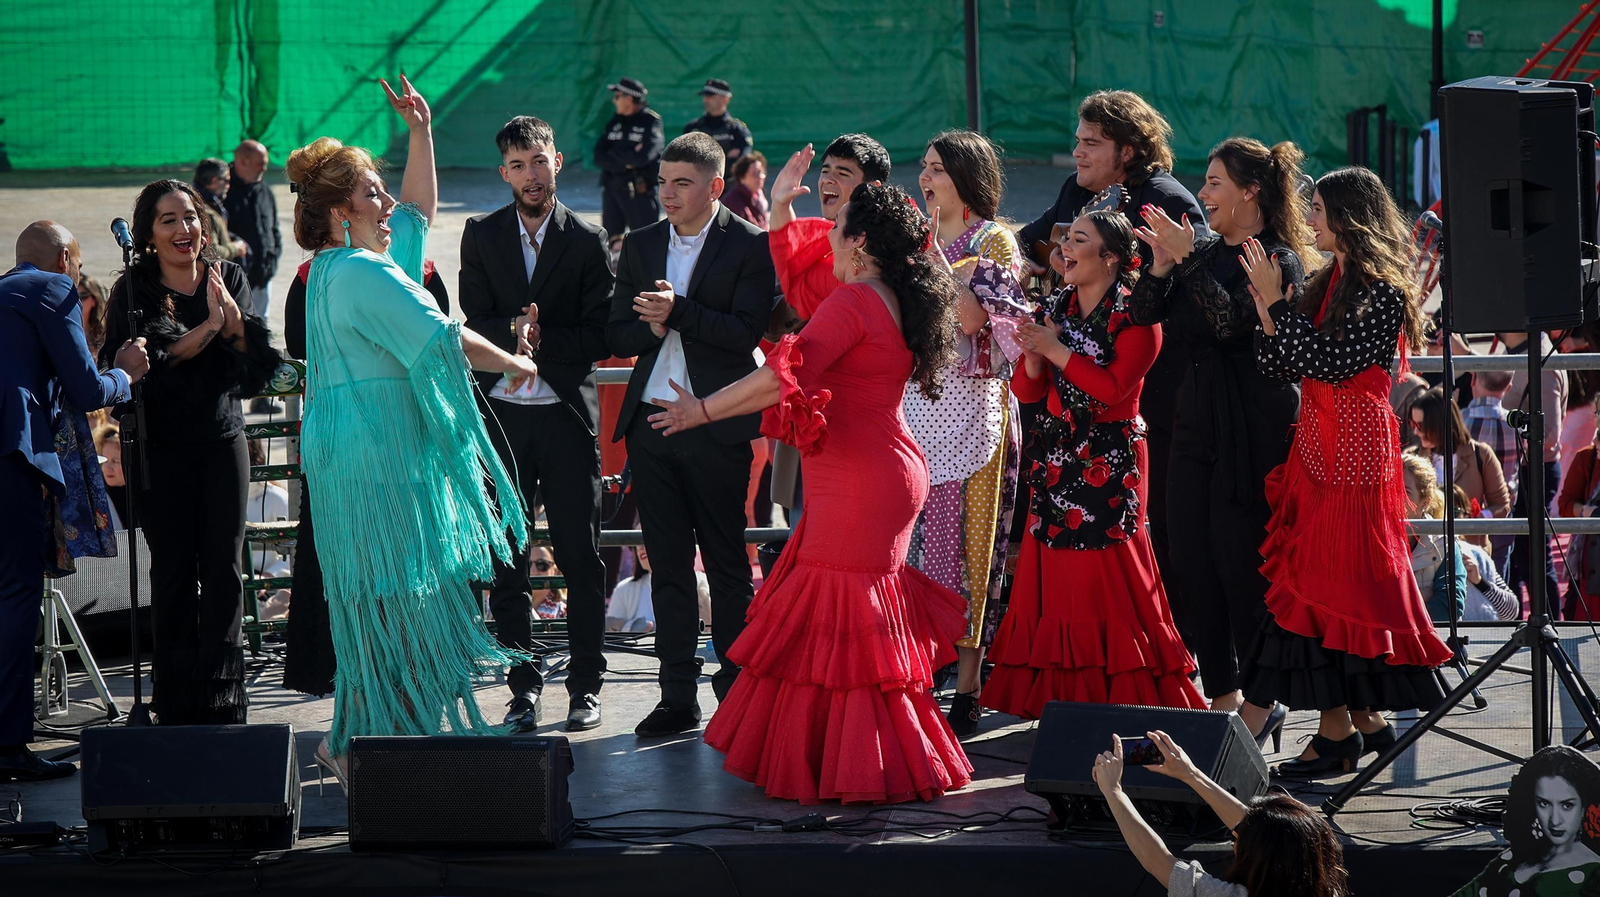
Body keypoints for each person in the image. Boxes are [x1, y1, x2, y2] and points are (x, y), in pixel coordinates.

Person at [651, 182, 972, 803]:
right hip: (881, 471)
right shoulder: (888, 297)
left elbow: (781, 377)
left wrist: (701, 411)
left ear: (861, 244)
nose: (826, 234)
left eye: (837, 225)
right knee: (858, 623)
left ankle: (854, 767)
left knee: (844, 617)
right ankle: (851, 759)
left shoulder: (856, 301)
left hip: (860, 480)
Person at [288, 75, 539, 785]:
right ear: (341, 210)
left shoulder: (337, 268)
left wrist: (420, 130)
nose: (388, 199)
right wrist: (516, 360)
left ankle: (376, 738)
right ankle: (380, 744)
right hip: (380, 459)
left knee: (386, 602)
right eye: (373, 190)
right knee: (400, 600)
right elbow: (443, 338)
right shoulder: (364, 274)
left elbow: (420, 213)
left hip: (363, 455)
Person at [1237, 166, 1453, 777]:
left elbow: (1330, 361)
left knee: (1325, 580)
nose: (1309, 219)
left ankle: (1337, 732)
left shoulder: (1381, 290)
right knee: (1324, 581)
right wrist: (1268, 310)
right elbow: (1282, 362)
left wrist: (1279, 307)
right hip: (1317, 445)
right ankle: (1360, 724)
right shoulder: (1327, 279)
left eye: (1319, 209)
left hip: (1354, 453)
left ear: (1348, 216)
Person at [982, 209, 1204, 719]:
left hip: (1110, 458)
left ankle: (1121, 698)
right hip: (1058, 455)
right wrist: (1034, 358)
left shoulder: (1136, 317)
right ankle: (1063, 703)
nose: (1063, 248)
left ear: (1110, 258)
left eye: (1078, 240)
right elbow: (1027, 390)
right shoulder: (1057, 303)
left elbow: (1111, 390)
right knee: (1056, 576)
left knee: (1106, 573)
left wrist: (1054, 349)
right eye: (1065, 239)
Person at [1016, 90, 1209, 661]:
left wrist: (1109, 311)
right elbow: (1037, 238)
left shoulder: (1166, 200)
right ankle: (1082, 662)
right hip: (1066, 423)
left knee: (1158, 536)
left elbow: (1191, 290)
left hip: (1154, 399)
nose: (1076, 150)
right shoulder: (1078, 192)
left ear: (1127, 150)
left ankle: (1170, 653)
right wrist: (1047, 257)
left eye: (1090, 142)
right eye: (1078, 139)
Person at [1127, 137, 1314, 722]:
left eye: (1213, 184)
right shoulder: (1200, 248)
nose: (1202, 194)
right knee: (1187, 557)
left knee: (1240, 561)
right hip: (1194, 417)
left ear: (1249, 192)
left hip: (1255, 420)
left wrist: (1186, 259)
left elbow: (1233, 322)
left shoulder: (1278, 259)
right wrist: (1162, 266)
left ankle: (1262, 698)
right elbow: (1142, 313)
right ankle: (1223, 693)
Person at [606, 131, 773, 737]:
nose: (667, 193)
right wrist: (647, 331)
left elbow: (747, 331)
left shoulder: (752, 245)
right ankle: (676, 695)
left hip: (717, 423)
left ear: (715, 187)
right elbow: (616, 331)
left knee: (728, 566)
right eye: (662, 181)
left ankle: (735, 690)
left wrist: (677, 313)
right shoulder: (644, 242)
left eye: (682, 182)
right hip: (652, 425)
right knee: (668, 567)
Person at [101, 180, 281, 727]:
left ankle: (224, 695)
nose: (184, 229)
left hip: (223, 442)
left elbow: (251, 361)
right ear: (149, 235)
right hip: (161, 448)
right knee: (174, 569)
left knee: (225, 566)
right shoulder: (133, 289)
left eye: (190, 218)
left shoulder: (231, 277)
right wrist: (212, 326)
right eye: (168, 221)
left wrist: (234, 325)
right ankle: (177, 697)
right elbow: (153, 360)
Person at [460, 115, 614, 734]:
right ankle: (522, 686)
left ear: (556, 161)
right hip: (502, 418)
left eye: (540, 161)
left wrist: (542, 341)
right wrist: (511, 336)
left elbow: (601, 334)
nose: (532, 174)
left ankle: (586, 686)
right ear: (504, 172)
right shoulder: (480, 233)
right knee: (508, 562)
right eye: (519, 165)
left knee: (580, 555)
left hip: (567, 417)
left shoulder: (586, 239)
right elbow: (473, 312)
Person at [1, 221, 149, 782]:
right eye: (78, 263)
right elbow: (89, 390)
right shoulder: (54, 288)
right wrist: (125, 373)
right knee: (15, 598)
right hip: (11, 460)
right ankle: (9, 744)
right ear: (65, 258)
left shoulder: (5, 292)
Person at [905, 129, 1030, 735]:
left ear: (965, 176)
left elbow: (976, 317)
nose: (926, 178)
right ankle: (923, 667)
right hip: (918, 402)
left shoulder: (995, 241)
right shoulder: (920, 241)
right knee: (923, 544)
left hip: (975, 401)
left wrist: (939, 270)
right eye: (924, 167)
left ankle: (971, 678)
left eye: (937, 168)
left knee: (975, 542)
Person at [1091, 731, 1350, 897]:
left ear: (1261, 859)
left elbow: (1156, 860)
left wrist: (1114, 792)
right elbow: (1258, 828)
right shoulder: (1328, 888)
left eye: (1237, 839)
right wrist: (1189, 774)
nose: (1234, 838)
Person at [767, 134, 893, 319]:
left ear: (872, 188)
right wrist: (780, 204)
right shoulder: (839, 241)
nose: (828, 179)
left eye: (843, 173)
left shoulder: (883, 250)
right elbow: (794, 270)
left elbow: (795, 279)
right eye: (825, 171)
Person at [1451, 746, 1600, 896]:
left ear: (1584, 808)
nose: (1555, 820)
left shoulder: (1593, 876)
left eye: (1567, 805)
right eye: (1544, 803)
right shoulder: (1510, 860)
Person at [1501, 329, 1568, 618]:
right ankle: (1519, 627)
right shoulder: (1530, 352)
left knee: (1535, 560)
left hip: (1534, 470)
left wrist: (1511, 439)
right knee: (1519, 558)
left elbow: (1550, 434)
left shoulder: (1540, 360)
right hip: (1527, 468)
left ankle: (1550, 625)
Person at [1409, 386, 1511, 549]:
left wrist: (1475, 519)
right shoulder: (1412, 459)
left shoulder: (1481, 454)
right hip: (1427, 553)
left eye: (1420, 425)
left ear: (1439, 423)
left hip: (1471, 550)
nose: (1415, 431)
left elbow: (1502, 505)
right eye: (1412, 423)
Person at [226, 140, 283, 416]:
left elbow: (273, 228)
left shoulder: (263, 190)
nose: (265, 167)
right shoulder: (223, 190)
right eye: (260, 162)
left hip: (262, 280)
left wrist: (272, 258)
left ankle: (261, 394)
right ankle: (231, 395)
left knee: (261, 335)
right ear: (243, 161)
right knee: (234, 339)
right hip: (234, 286)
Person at [1402, 451, 1469, 623]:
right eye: (1390, 489)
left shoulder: (1443, 543)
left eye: (1405, 492)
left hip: (1436, 644)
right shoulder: (1371, 539)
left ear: (1424, 502)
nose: (1395, 497)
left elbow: (1449, 608)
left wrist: (1397, 607)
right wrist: (1421, 596)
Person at [594, 77, 664, 241]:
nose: (614, 100)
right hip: (612, 187)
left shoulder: (651, 122)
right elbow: (598, 156)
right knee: (611, 241)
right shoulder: (614, 122)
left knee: (645, 241)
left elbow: (643, 157)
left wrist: (614, 155)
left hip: (638, 190)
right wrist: (626, 160)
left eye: (617, 96)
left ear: (629, 99)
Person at [1465, 369, 1519, 572]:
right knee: (1497, 579)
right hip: (1502, 513)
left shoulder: (1459, 422)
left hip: (1467, 515)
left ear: (1473, 380)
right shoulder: (1517, 426)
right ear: (1509, 387)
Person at [604, 544, 712, 633]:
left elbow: (705, 631)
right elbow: (609, 635)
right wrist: (631, 627)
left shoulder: (699, 584)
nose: (640, 547)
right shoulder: (623, 589)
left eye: (646, 537)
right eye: (635, 540)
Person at [682, 78, 753, 166]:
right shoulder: (692, 128)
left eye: (711, 96)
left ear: (726, 99)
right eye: (705, 96)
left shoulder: (737, 129)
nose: (706, 100)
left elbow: (743, 162)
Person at [194, 158, 248, 263]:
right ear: (215, 181)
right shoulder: (207, 213)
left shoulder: (195, 202)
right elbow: (211, 252)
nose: (229, 186)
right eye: (227, 181)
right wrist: (236, 248)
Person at [723, 151, 769, 230]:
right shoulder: (735, 202)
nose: (760, 177)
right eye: (754, 174)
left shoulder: (758, 195)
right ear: (742, 178)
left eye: (761, 172)